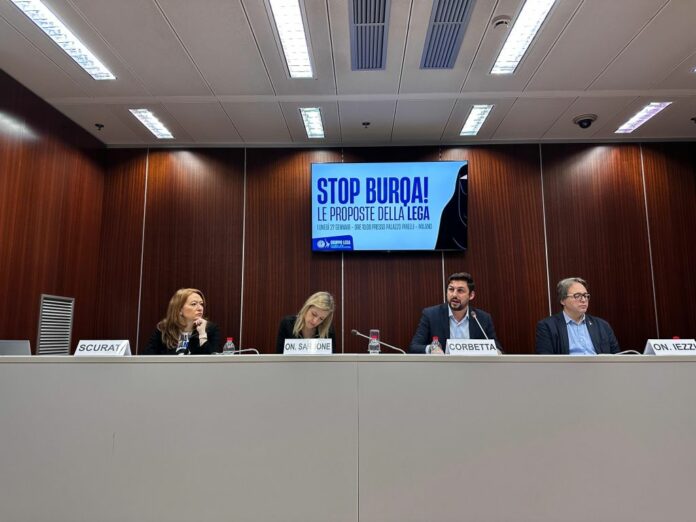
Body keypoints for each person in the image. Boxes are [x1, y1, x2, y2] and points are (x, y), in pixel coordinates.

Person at [410, 272, 499, 353]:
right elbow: (414, 347)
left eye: (460, 290)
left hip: (473, 365)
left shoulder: (482, 318)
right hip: (442, 365)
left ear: (471, 295)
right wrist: (431, 349)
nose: (454, 295)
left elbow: (498, 350)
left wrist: (497, 352)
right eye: (451, 289)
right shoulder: (431, 315)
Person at [535, 277, 620, 355]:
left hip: (600, 367)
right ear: (563, 300)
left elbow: (617, 357)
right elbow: (546, 361)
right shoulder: (547, 326)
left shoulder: (602, 325)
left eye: (585, 296)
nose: (583, 300)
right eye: (577, 296)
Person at [144, 288, 221, 355]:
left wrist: (202, 334)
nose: (200, 308)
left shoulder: (210, 329)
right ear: (179, 309)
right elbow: (147, 358)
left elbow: (214, 359)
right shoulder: (164, 330)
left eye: (201, 304)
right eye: (193, 304)